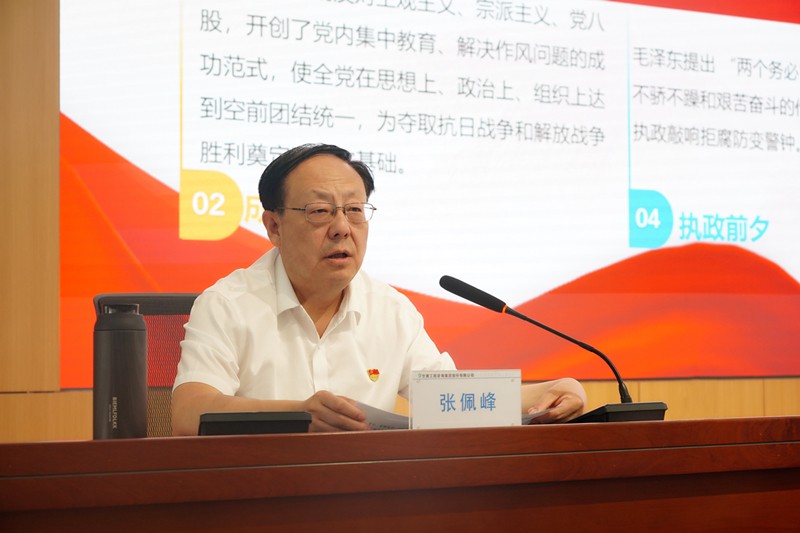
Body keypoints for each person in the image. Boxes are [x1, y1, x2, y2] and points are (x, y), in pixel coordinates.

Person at [171, 143, 586, 435]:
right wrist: (300, 415)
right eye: (320, 211)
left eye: (355, 210)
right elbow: (189, 414)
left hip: (366, 501)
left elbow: (450, 398)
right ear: (274, 226)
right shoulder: (228, 304)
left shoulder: (390, 310)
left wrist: (550, 392)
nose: (342, 227)